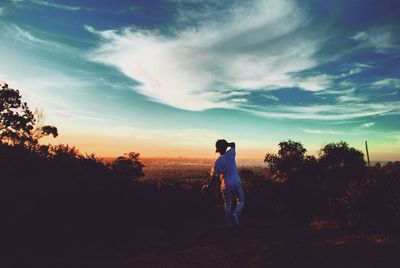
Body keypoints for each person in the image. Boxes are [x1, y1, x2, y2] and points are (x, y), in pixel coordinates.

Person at [203, 139, 245, 227]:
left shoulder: (218, 162)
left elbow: (214, 177)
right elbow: (233, 144)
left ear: (218, 150)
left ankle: (228, 225)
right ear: (226, 147)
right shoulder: (231, 154)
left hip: (225, 184)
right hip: (236, 181)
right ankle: (235, 215)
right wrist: (226, 144)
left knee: (228, 204)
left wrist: (208, 187)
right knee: (241, 201)